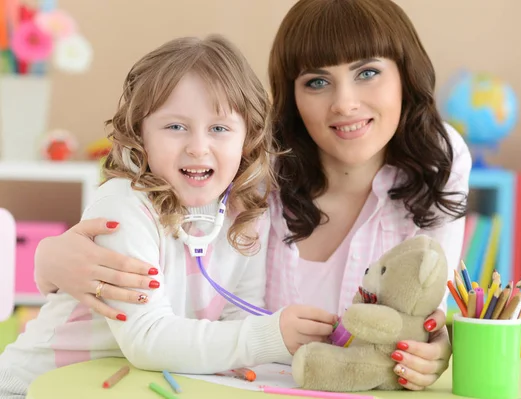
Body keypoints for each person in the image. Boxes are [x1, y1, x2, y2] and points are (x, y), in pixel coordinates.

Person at [33, 0, 471, 391]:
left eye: (368, 72)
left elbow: (429, 308)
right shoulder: (249, 171)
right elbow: (170, 317)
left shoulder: (439, 160)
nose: (345, 103)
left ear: (405, 74)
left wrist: (436, 343)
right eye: (317, 82)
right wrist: (47, 260)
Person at [0, 35, 337, 399]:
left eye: (219, 129)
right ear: (140, 135)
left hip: (131, 386)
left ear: (248, 138)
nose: (197, 146)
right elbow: (147, 338)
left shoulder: (247, 210)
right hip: (35, 386)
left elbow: (240, 314)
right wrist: (271, 337)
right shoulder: (124, 206)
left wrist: (259, 344)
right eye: (175, 127)